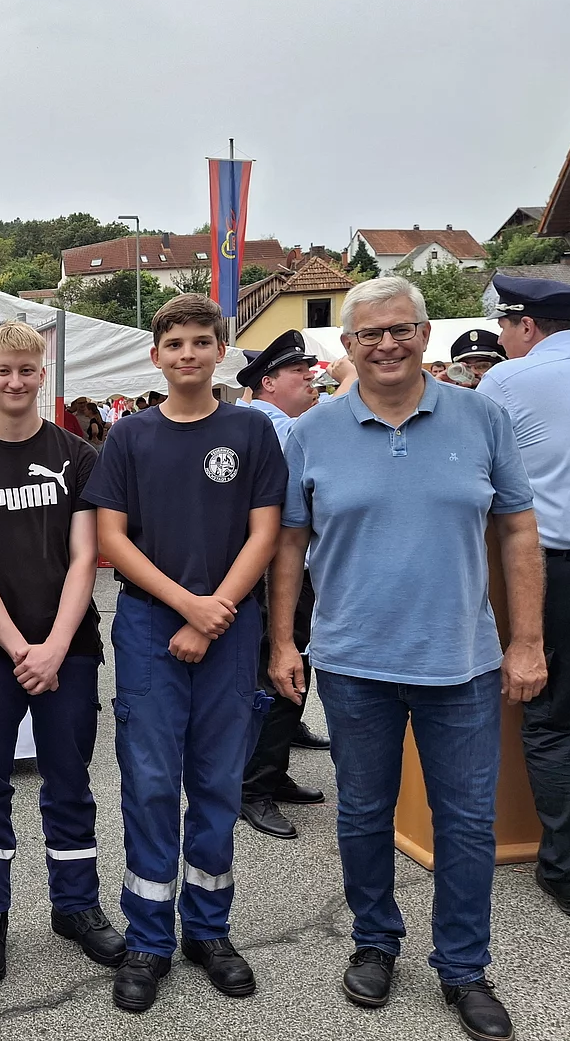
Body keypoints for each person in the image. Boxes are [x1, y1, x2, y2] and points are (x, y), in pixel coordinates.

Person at [270, 276, 544, 1041]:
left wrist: (527, 641)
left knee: (466, 823)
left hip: (462, 662)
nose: (386, 345)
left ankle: (463, 967)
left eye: (400, 330)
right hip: (354, 663)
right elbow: (289, 544)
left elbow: (519, 530)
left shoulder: (483, 417)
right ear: (349, 345)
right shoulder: (313, 433)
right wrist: (284, 640)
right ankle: (374, 941)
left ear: (424, 336)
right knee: (362, 814)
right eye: (370, 334)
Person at [87, 295, 286, 1013]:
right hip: (150, 626)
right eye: (174, 344)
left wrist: (212, 613)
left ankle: (208, 930)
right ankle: (149, 939)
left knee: (217, 783)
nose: (188, 354)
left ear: (221, 351)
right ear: (156, 356)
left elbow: (265, 534)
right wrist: (187, 606)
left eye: (202, 341)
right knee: (148, 784)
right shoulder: (129, 436)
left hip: (229, 624)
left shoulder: (251, 430)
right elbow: (111, 540)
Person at [0, 320, 124, 987]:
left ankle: (76, 906)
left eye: (27, 370)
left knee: (70, 781)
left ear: (43, 375)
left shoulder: (78, 455)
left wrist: (56, 646)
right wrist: (21, 649)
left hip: (69, 648)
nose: (15, 381)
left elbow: (84, 559)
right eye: (3, 371)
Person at [477, 273, 570, 920]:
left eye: (504, 328)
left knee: (557, 721)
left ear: (526, 325)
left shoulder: (508, 381)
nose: (502, 340)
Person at [233, 330, 329, 841]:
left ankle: (271, 772)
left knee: (292, 669)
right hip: (275, 572)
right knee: (275, 672)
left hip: (295, 568)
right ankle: (252, 786)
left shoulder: (286, 422)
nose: (310, 380)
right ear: (268, 383)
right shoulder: (267, 422)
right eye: (298, 372)